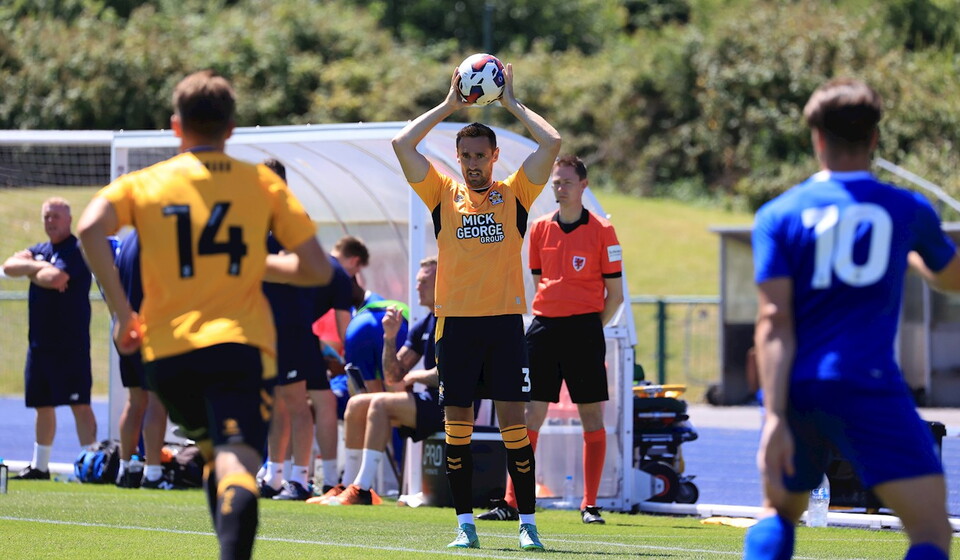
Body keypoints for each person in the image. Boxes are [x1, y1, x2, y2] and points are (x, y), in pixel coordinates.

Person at [76, 70, 332, 560]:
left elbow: (89, 229)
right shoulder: (261, 183)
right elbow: (317, 269)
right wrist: (255, 263)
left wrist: (122, 313)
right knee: (238, 464)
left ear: (176, 125)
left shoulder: (147, 182)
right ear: (231, 128)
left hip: (169, 354)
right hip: (239, 347)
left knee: (218, 456)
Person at [743, 78, 960, 560]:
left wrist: (774, 416)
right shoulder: (906, 209)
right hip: (868, 382)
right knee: (930, 531)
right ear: (875, 138)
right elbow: (953, 278)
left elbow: (774, 320)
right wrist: (909, 254)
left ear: (817, 138)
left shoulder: (778, 215)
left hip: (798, 388)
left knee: (778, 515)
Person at [392, 60, 561, 551]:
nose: (472, 163)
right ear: (458, 157)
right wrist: (449, 104)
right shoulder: (442, 194)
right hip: (457, 329)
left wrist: (511, 103)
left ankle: (527, 525)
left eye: (480, 155)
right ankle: (465, 526)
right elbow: (401, 144)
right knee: (457, 432)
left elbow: (552, 143)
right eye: (465, 155)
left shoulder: (516, 194)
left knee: (515, 429)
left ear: (494, 156)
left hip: (504, 326)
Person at [478, 155, 623, 525]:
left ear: (583, 185)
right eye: (556, 182)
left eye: (567, 182)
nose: (560, 188)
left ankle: (590, 505)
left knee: (592, 415)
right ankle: (512, 501)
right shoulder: (540, 228)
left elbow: (616, 295)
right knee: (529, 414)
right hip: (544, 329)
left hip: (585, 331)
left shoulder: (603, 230)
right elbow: (539, 279)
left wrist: (589, 327)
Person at [315, 256, 442, 506]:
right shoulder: (424, 324)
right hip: (428, 402)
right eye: (418, 281)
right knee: (357, 403)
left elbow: (454, 374)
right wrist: (389, 337)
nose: (417, 286)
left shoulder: (456, 321)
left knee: (380, 404)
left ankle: (363, 489)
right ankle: (347, 485)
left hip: (453, 407)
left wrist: (414, 376)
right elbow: (393, 376)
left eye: (425, 282)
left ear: (443, 283)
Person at [2, 197, 99, 480]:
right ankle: (40, 467)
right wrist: (38, 267)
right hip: (40, 343)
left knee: (79, 405)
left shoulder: (77, 250)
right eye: (46, 216)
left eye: (56, 216)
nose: (51, 221)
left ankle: (91, 465)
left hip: (70, 344)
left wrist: (31, 269)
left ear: (69, 219)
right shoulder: (40, 250)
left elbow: (56, 279)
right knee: (42, 405)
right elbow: (9, 267)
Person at [256, 159, 326, 501]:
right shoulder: (258, 219)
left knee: (297, 402)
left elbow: (293, 264)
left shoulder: (295, 217)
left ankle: (300, 479)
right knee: (275, 403)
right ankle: (274, 474)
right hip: (265, 327)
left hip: (292, 325)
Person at [112, 230, 171, 490]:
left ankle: (125, 468)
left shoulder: (126, 243)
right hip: (151, 330)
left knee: (135, 401)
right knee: (157, 401)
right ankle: (153, 472)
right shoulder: (157, 237)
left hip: (125, 328)